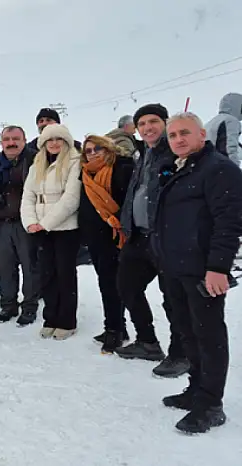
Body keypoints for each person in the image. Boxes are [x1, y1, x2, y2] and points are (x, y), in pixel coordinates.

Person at [155, 112, 242, 434]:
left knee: (208, 334)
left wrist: (218, 267)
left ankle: (210, 404)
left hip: (203, 271)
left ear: (201, 134)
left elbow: (229, 222)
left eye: (185, 133)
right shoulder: (180, 167)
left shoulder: (219, 169)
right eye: (173, 135)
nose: (178, 139)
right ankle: (196, 388)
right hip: (175, 267)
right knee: (187, 331)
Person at [114, 103, 189, 378]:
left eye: (153, 121)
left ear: (165, 123)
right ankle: (147, 341)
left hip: (166, 238)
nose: (148, 127)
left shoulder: (176, 153)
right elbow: (137, 191)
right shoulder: (143, 153)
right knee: (127, 286)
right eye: (142, 123)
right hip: (138, 236)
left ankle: (182, 354)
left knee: (174, 298)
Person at [21, 124, 82, 340]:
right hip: (40, 228)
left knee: (65, 275)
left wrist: (45, 223)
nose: (54, 144)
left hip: (65, 228)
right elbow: (28, 195)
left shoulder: (75, 162)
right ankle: (50, 318)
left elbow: (71, 198)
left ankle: (67, 321)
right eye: (50, 140)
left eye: (58, 139)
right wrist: (30, 222)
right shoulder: (37, 164)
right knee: (46, 275)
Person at [78, 135, 135, 353]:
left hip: (115, 233)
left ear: (108, 148)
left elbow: (128, 201)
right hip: (95, 236)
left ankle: (114, 331)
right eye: (88, 150)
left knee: (113, 284)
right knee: (105, 282)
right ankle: (117, 326)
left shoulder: (122, 168)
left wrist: (118, 221)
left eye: (97, 149)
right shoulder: (85, 172)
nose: (92, 153)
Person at [0, 126, 40, 326]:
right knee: (5, 267)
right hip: (1, 223)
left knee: (30, 267)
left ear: (24, 140)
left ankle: (30, 306)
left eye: (16, 139)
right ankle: (8, 305)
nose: (11, 143)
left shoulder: (34, 160)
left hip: (27, 223)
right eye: (7, 139)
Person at [205, 92, 242, 165]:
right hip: (221, 166)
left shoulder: (212, 122)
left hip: (207, 165)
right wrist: (234, 168)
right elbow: (229, 148)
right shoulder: (231, 120)